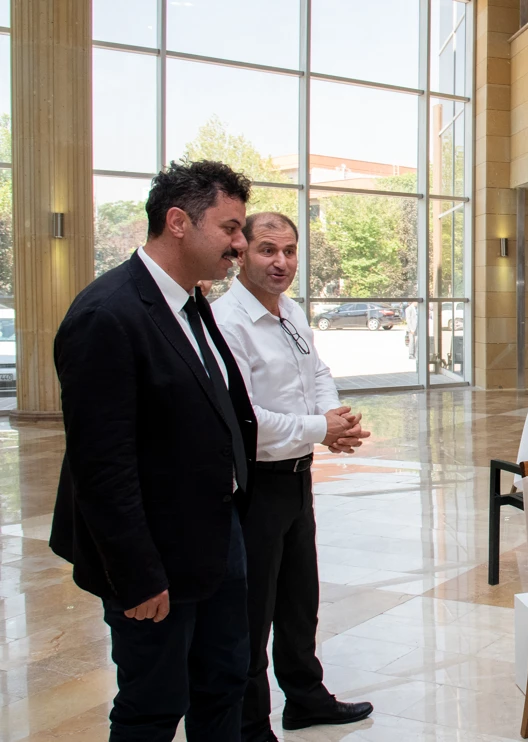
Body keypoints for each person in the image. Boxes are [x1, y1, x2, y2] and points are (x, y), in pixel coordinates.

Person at [50, 160, 258, 741]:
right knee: (153, 705)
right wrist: (137, 576)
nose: (240, 245)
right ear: (178, 223)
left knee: (223, 685)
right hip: (155, 560)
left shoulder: (191, 303)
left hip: (217, 538)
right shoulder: (106, 315)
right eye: (231, 229)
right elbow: (102, 468)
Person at [212, 212, 373, 741]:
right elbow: (245, 420)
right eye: (267, 250)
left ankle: (305, 699)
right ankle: (251, 723)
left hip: (297, 478)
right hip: (256, 486)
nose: (280, 262)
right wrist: (319, 428)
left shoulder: (291, 310)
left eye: (288, 251)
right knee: (253, 614)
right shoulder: (227, 322)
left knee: (299, 602)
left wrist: (337, 420)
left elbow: (317, 372)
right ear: (241, 253)